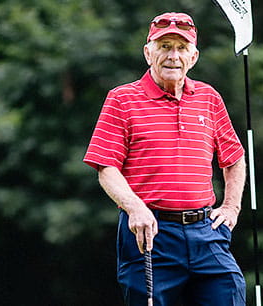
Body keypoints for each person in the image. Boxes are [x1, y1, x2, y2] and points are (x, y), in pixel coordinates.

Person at [83, 12, 246, 306]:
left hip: (206, 232)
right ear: (148, 52)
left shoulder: (209, 98)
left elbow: (233, 158)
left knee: (230, 293)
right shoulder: (122, 99)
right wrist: (135, 208)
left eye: (181, 48)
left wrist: (231, 208)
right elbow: (106, 167)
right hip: (150, 233)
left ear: (193, 57)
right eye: (164, 46)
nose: (173, 56)